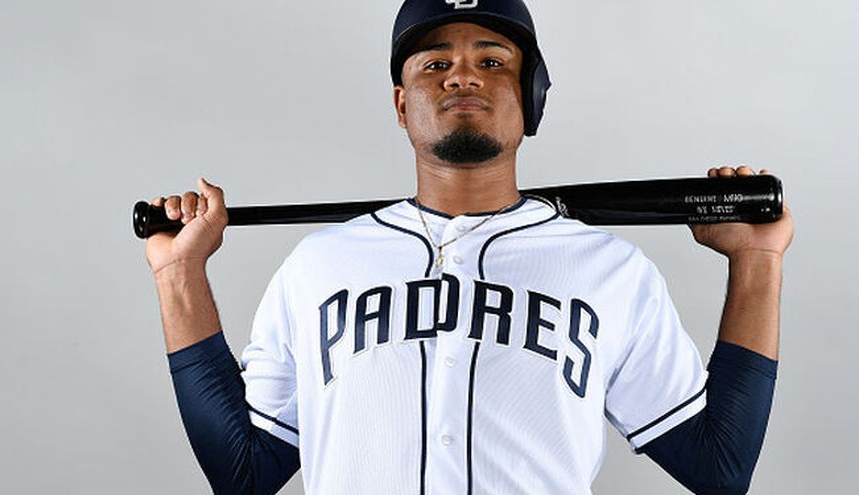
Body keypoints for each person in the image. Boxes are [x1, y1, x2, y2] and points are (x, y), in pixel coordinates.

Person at [144, 1, 793, 494]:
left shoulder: (612, 271)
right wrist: (179, 273)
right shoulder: (319, 266)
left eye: (492, 61)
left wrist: (757, 261)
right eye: (435, 64)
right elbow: (243, 471)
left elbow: (718, 467)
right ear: (402, 103)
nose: (462, 77)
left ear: (530, 97)